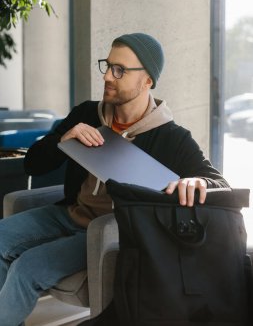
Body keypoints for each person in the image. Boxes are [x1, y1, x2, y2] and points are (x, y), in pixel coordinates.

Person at [0, 33, 229, 326]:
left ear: (147, 81)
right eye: (107, 66)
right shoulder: (86, 113)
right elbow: (33, 164)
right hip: (68, 215)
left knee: (27, 268)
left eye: (119, 70)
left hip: (109, 231)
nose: (108, 76)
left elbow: (216, 181)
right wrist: (62, 139)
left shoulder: (172, 138)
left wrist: (198, 183)